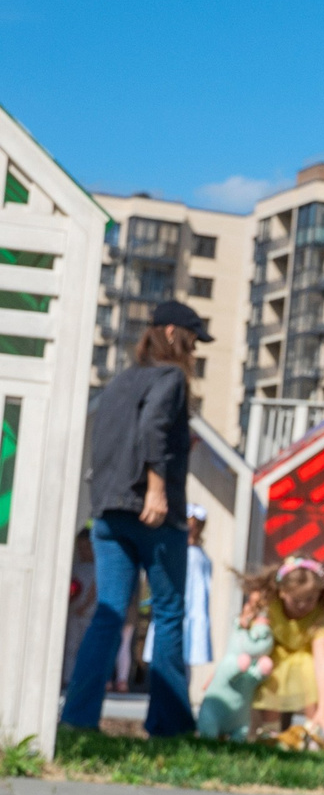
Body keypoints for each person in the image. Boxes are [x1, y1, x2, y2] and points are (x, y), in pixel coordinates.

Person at [62, 301, 213, 737]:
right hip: (152, 513)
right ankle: (170, 726)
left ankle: (77, 719)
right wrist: (158, 488)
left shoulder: (120, 381)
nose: (194, 351)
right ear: (170, 333)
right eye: (191, 341)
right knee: (168, 612)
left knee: (109, 613)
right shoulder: (171, 377)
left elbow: (123, 437)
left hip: (108, 512)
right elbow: (153, 427)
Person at [248, 556, 324, 742]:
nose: (302, 605)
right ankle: (269, 732)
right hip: (275, 653)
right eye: (296, 599)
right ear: (282, 592)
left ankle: (313, 727)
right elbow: (245, 633)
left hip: (307, 655)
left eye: (309, 599)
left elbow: (323, 664)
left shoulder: (319, 616)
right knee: (272, 671)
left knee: (308, 669)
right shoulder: (267, 602)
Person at [183, 503, 216, 705]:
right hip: (182, 607)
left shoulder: (201, 552)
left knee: (188, 658)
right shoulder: (180, 550)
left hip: (196, 609)